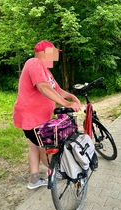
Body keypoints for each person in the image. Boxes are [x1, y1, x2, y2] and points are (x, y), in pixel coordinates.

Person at [13, 40, 81, 189]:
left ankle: (34, 179)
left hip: (38, 117)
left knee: (34, 146)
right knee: (44, 147)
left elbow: (57, 89)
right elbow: (43, 87)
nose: (55, 57)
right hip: (32, 116)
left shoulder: (45, 70)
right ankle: (55, 171)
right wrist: (66, 104)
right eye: (53, 53)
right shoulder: (34, 63)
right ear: (45, 52)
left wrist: (71, 96)